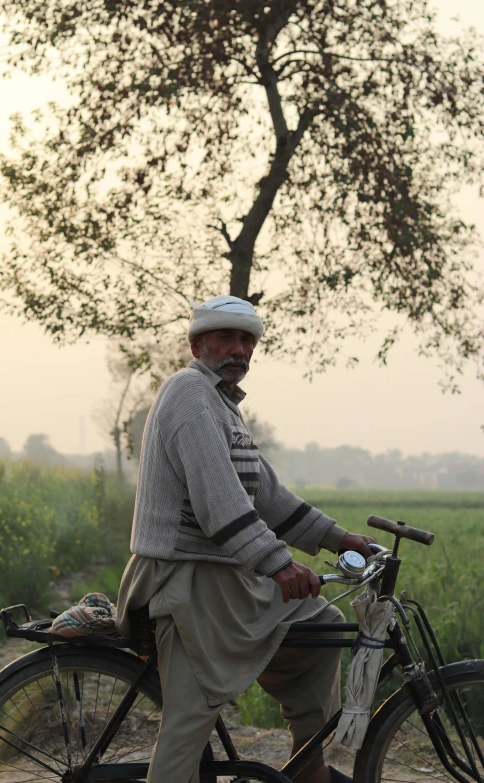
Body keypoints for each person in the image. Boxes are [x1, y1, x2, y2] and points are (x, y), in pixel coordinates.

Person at [117, 295, 375, 783]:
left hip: (227, 579)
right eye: (225, 337)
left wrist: (341, 538)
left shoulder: (225, 407)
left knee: (321, 629)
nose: (238, 349)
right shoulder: (188, 393)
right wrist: (279, 563)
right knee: (193, 714)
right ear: (197, 345)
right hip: (186, 578)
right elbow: (220, 503)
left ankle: (307, 763)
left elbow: (268, 497)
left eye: (247, 339)